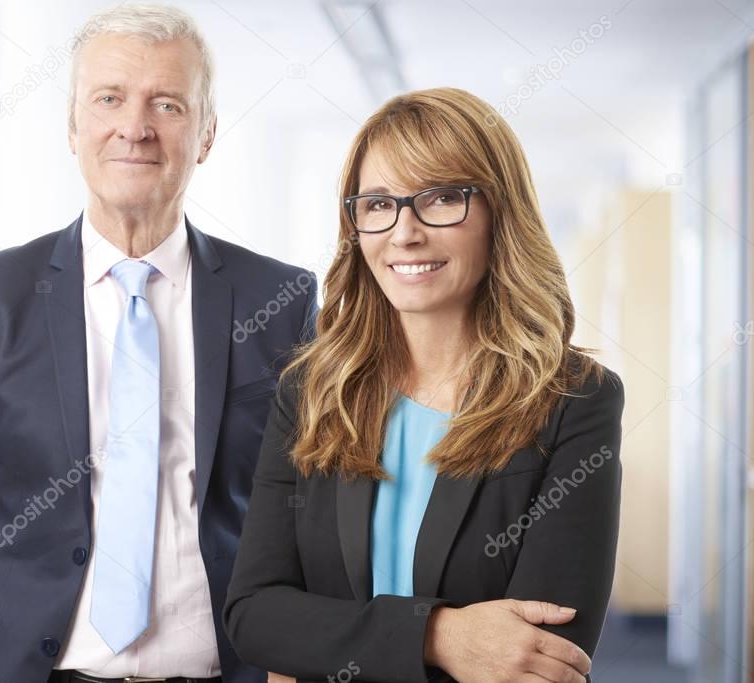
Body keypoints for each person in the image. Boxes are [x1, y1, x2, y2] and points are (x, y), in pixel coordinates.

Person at [0, 5, 316, 683]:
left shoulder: (280, 302)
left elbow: (314, 519)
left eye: (166, 104)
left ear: (204, 134)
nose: (135, 127)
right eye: (108, 98)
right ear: (72, 125)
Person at [223, 87, 624, 683]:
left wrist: (324, 641)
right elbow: (255, 614)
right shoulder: (313, 390)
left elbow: (539, 659)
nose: (404, 232)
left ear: (499, 213)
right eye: (378, 203)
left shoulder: (573, 399)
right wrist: (440, 636)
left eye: (442, 199)